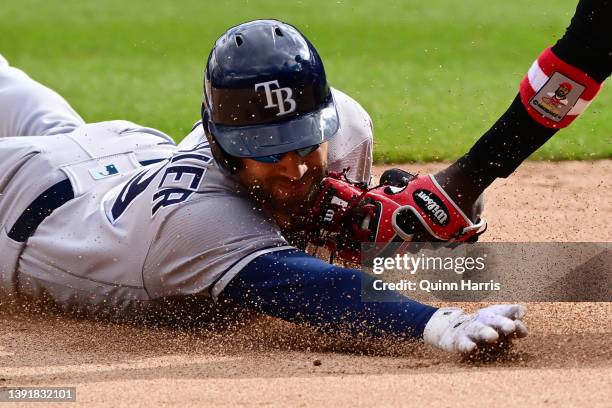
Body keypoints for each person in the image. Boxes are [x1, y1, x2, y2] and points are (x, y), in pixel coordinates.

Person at [0, 20, 528, 355]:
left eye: (304, 142)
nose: (294, 170)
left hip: (130, 149)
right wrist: (435, 324)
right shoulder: (194, 224)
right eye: (267, 151)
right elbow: (315, 288)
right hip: (22, 197)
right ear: (219, 141)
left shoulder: (344, 123)